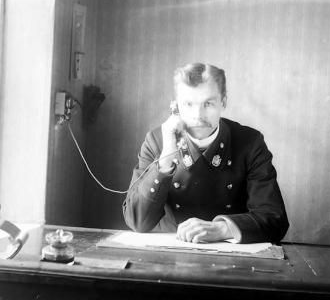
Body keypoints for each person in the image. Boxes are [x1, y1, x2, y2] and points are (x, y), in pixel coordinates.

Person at [123, 63, 288, 244]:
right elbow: (136, 221)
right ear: (175, 106)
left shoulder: (250, 142)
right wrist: (165, 161)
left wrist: (222, 229)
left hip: (231, 255)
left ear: (223, 102)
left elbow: (275, 219)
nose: (198, 114)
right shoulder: (156, 141)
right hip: (169, 249)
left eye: (208, 103)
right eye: (188, 104)